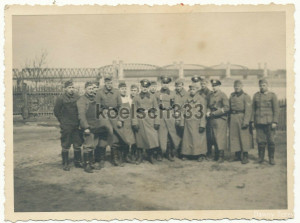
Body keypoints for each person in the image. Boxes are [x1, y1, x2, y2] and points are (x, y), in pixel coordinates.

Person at [77, 81, 109, 173]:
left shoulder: (95, 98)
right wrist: (85, 127)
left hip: (96, 125)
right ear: (85, 89)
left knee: (94, 145)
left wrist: (104, 111)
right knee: (88, 145)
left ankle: (91, 163)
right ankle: (86, 164)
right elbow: (81, 115)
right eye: (89, 89)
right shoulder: (82, 100)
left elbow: (99, 110)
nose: (91, 91)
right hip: (88, 126)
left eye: (92, 89)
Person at [54, 80, 82, 171]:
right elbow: (56, 111)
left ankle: (78, 161)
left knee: (77, 143)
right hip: (66, 125)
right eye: (69, 88)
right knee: (66, 143)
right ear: (65, 89)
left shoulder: (78, 97)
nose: (71, 89)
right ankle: (65, 162)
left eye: (72, 87)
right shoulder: (61, 98)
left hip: (76, 124)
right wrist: (62, 121)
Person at [95, 74, 124, 167]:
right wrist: (99, 118)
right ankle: (101, 159)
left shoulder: (116, 92)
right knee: (103, 137)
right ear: (105, 83)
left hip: (114, 116)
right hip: (103, 117)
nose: (109, 84)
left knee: (115, 137)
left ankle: (115, 158)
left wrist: (120, 119)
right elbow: (97, 107)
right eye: (107, 82)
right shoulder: (99, 93)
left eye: (111, 83)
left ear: (113, 83)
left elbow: (121, 107)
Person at [132, 79, 160, 164]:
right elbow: (133, 110)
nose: (144, 88)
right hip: (140, 120)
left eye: (146, 87)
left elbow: (156, 110)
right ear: (140, 87)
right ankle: (140, 156)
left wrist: (157, 122)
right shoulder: (136, 97)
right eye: (143, 87)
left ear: (148, 87)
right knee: (140, 139)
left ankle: (150, 155)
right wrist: (134, 122)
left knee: (151, 139)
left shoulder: (152, 97)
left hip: (150, 120)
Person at [252, 78, 279, 165]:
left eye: (264, 85)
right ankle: (261, 158)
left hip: (269, 123)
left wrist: (275, 121)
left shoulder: (272, 95)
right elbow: (253, 109)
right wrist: (253, 121)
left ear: (267, 86)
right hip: (259, 122)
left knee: (271, 141)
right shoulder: (256, 96)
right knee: (260, 141)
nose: (262, 87)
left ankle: (271, 158)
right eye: (260, 86)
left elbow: (276, 110)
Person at [156, 75, 181, 162]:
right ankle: (160, 153)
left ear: (169, 84)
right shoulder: (157, 94)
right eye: (163, 83)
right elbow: (155, 107)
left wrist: (177, 118)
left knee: (171, 135)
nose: (165, 85)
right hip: (161, 116)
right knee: (161, 135)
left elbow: (176, 107)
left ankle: (169, 153)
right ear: (161, 83)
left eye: (167, 83)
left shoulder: (173, 94)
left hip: (170, 116)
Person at [181, 83, 207, 161]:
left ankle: (199, 155)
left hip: (197, 122)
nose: (192, 91)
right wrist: (182, 123)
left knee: (198, 139)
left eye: (194, 89)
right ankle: (187, 154)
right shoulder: (186, 99)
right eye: (191, 89)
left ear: (197, 90)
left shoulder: (201, 99)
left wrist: (202, 124)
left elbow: (203, 112)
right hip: (188, 122)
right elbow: (183, 111)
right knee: (187, 139)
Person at [229, 80, 252, 164]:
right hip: (233, 117)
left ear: (242, 86)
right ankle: (237, 155)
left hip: (242, 117)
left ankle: (245, 156)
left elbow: (248, 110)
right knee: (234, 137)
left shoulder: (246, 96)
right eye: (235, 87)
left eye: (238, 86)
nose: (237, 88)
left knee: (244, 137)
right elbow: (229, 108)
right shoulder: (232, 96)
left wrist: (246, 121)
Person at [206, 79, 230, 163]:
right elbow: (208, 105)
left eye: (215, 86)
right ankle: (216, 155)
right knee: (214, 137)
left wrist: (215, 113)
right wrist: (208, 111)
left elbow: (226, 108)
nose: (214, 87)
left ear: (219, 86)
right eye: (213, 86)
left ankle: (221, 156)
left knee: (220, 137)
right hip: (212, 118)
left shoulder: (223, 95)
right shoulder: (210, 95)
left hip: (220, 118)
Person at [118, 81, 136, 164]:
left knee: (129, 139)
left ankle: (126, 156)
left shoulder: (128, 98)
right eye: (122, 89)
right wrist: (120, 119)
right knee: (122, 138)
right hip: (121, 121)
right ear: (119, 89)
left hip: (128, 121)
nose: (124, 90)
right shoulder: (118, 98)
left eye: (125, 89)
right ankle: (120, 157)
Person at [198, 77, 213, 160]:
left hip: (208, 115)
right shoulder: (198, 92)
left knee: (208, 134)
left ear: (207, 84)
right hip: (200, 115)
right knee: (201, 134)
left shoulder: (210, 93)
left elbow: (211, 104)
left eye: (204, 84)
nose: (203, 85)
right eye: (201, 84)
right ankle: (201, 151)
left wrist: (208, 111)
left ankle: (209, 152)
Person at [174, 78, 188, 157]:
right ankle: (176, 150)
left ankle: (183, 152)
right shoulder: (173, 93)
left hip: (183, 117)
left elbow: (186, 107)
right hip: (174, 116)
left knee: (183, 135)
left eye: (179, 86)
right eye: (176, 86)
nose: (178, 88)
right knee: (176, 134)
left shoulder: (186, 94)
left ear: (182, 85)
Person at [129, 84, 139, 161]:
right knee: (131, 137)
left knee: (137, 137)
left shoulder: (139, 99)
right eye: (132, 90)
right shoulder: (128, 99)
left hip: (137, 120)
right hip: (128, 120)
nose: (133, 92)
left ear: (138, 91)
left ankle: (137, 153)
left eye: (135, 90)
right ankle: (130, 153)